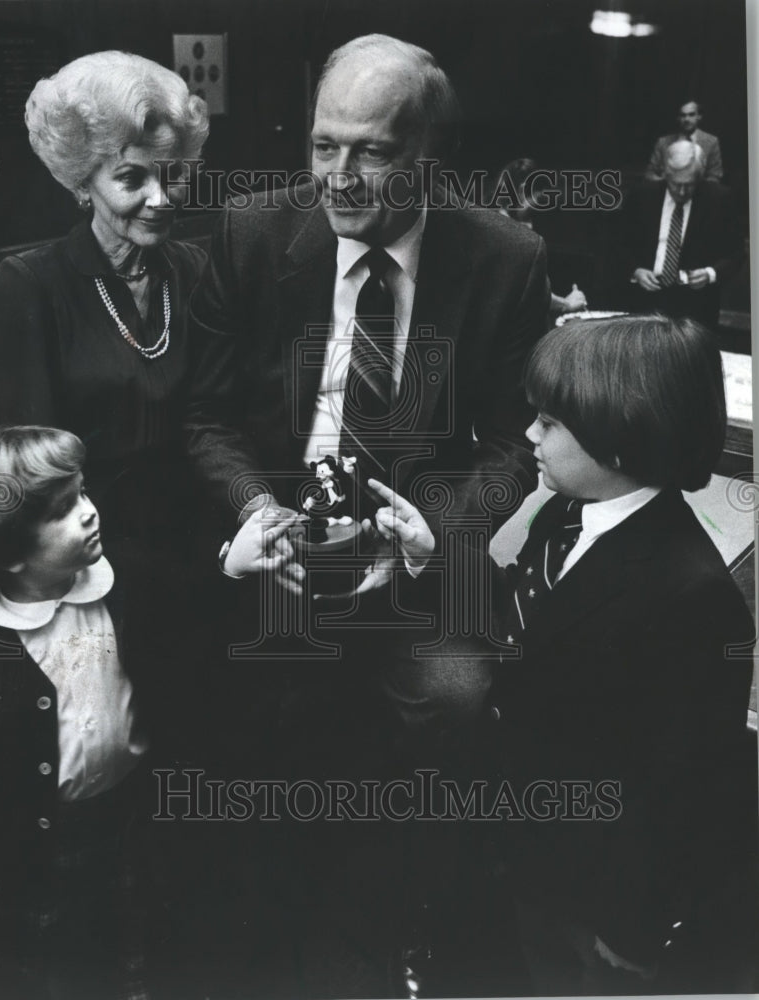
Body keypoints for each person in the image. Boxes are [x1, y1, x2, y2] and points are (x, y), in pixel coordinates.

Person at [187, 32, 549, 744]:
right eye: (324, 146)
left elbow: (515, 441)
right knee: (232, 718)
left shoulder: (506, 259)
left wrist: (427, 537)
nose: (339, 177)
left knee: (456, 699)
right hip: (277, 557)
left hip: (419, 562)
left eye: (372, 153)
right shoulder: (252, 232)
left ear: (430, 161)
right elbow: (206, 416)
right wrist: (257, 511)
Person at [377, 314, 754, 994]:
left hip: (585, 899)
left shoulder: (692, 599)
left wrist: (632, 931)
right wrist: (434, 557)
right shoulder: (568, 513)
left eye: (549, 423)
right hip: (513, 846)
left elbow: (684, 791)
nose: (529, 436)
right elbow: (531, 620)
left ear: (618, 440)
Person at [0, 425, 288, 999]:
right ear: (9, 552)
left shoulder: (126, 578)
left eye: (84, 493)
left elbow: (194, 611)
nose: (90, 513)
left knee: (143, 940)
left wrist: (231, 569)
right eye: (63, 510)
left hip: (138, 816)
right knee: (57, 964)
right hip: (47, 849)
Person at [0, 51, 210, 744]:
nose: (162, 198)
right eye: (133, 178)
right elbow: (33, 473)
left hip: (208, 554)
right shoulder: (34, 285)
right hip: (97, 574)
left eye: (172, 175)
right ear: (82, 182)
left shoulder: (195, 270)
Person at [622, 139, 741, 328]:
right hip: (646, 299)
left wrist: (711, 273)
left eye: (690, 184)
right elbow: (617, 243)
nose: (682, 191)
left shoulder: (721, 200)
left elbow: (736, 253)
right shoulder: (642, 196)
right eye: (676, 184)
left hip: (696, 305)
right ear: (665, 174)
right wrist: (635, 270)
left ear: (700, 178)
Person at [492, 157, 588, 315]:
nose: (537, 207)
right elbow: (521, 293)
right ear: (524, 189)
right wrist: (567, 304)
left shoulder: (491, 220)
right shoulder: (504, 233)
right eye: (539, 197)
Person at [646, 100, 723, 183]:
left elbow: (715, 175)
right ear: (678, 118)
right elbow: (650, 173)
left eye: (691, 115)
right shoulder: (663, 142)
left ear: (699, 116)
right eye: (683, 115)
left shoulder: (711, 142)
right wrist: (666, 183)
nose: (686, 119)